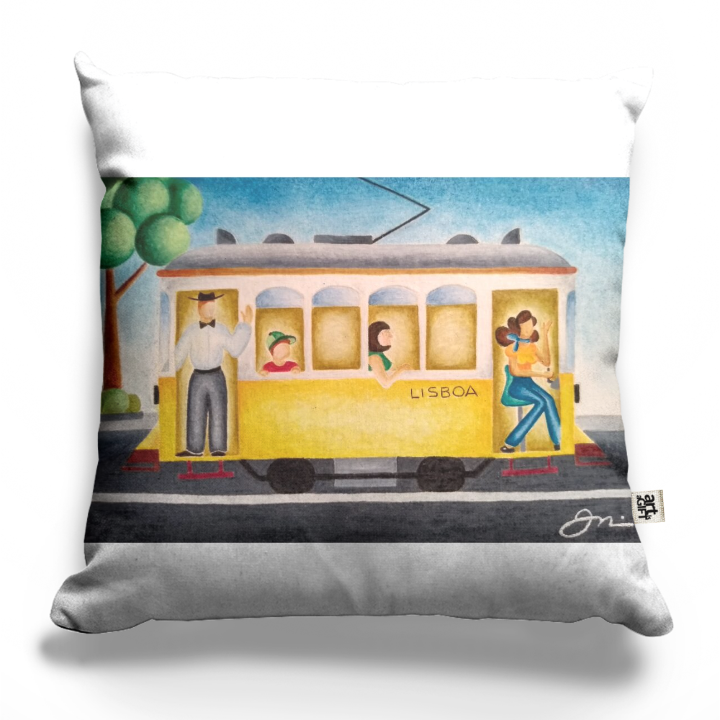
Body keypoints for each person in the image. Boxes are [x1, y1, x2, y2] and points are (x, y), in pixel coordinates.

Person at [174, 291, 253, 457]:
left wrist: (245, 326)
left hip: (217, 376)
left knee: (219, 412)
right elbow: (179, 354)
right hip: (197, 377)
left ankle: (218, 449)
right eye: (207, 307)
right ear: (199, 308)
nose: (210, 311)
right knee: (195, 412)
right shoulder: (191, 331)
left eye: (212, 307)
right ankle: (194, 449)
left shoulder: (221, 329)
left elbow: (235, 349)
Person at [495, 309, 561, 452]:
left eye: (531, 326)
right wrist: (542, 375)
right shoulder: (513, 347)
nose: (529, 329)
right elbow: (515, 371)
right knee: (542, 402)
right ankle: (510, 443)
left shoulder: (532, 346)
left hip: (529, 384)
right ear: (519, 328)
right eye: (525, 326)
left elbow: (546, 362)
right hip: (517, 386)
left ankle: (558, 441)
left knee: (549, 400)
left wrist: (545, 334)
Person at [368, 320, 411, 388]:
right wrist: (402, 369)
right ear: (378, 336)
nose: (391, 336)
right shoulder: (374, 357)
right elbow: (386, 383)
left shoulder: (378, 355)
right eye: (386, 333)